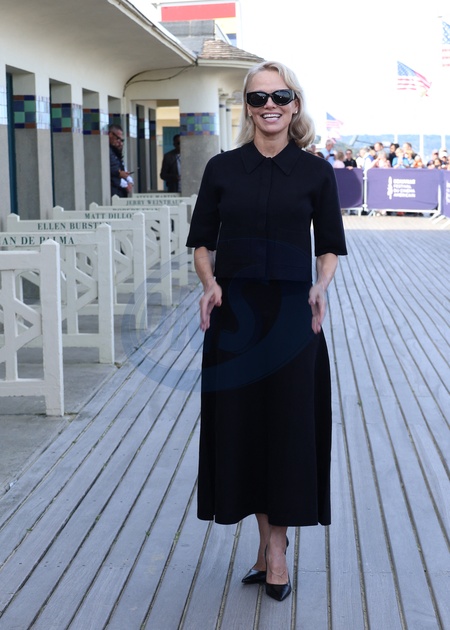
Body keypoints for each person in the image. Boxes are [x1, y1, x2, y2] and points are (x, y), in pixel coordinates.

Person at [186, 60, 347, 603]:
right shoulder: (222, 169)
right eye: (258, 98)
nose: (269, 105)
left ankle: (276, 551)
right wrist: (209, 283)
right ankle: (266, 546)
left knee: (289, 427)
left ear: (295, 104)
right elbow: (202, 242)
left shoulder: (316, 173)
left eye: (279, 96)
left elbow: (329, 245)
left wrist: (321, 286)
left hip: (294, 315)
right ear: (247, 108)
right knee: (245, 429)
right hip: (234, 315)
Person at [108, 124, 132, 198]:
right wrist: (119, 174)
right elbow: (112, 171)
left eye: (121, 140)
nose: (119, 142)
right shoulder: (108, 151)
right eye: (118, 138)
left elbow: (120, 166)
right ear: (111, 134)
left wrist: (128, 180)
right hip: (114, 191)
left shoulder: (115, 151)